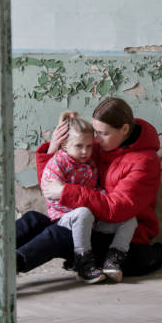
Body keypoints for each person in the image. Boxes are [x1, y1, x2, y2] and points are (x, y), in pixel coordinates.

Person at [16, 97, 162, 278]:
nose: (96, 139)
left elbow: (116, 209)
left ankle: (9, 266)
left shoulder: (146, 162)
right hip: (89, 222)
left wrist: (66, 191)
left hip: (120, 236)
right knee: (34, 219)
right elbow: (51, 188)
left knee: (63, 233)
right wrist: (54, 149)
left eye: (103, 133)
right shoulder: (95, 146)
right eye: (95, 132)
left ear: (125, 129)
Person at [40, 110, 138, 283]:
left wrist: (103, 198)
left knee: (130, 220)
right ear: (64, 145)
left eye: (89, 146)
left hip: (90, 217)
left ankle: (113, 258)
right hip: (65, 217)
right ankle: (82, 261)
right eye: (79, 146)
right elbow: (50, 191)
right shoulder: (57, 163)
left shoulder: (89, 164)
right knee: (83, 213)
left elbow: (94, 189)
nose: (85, 151)